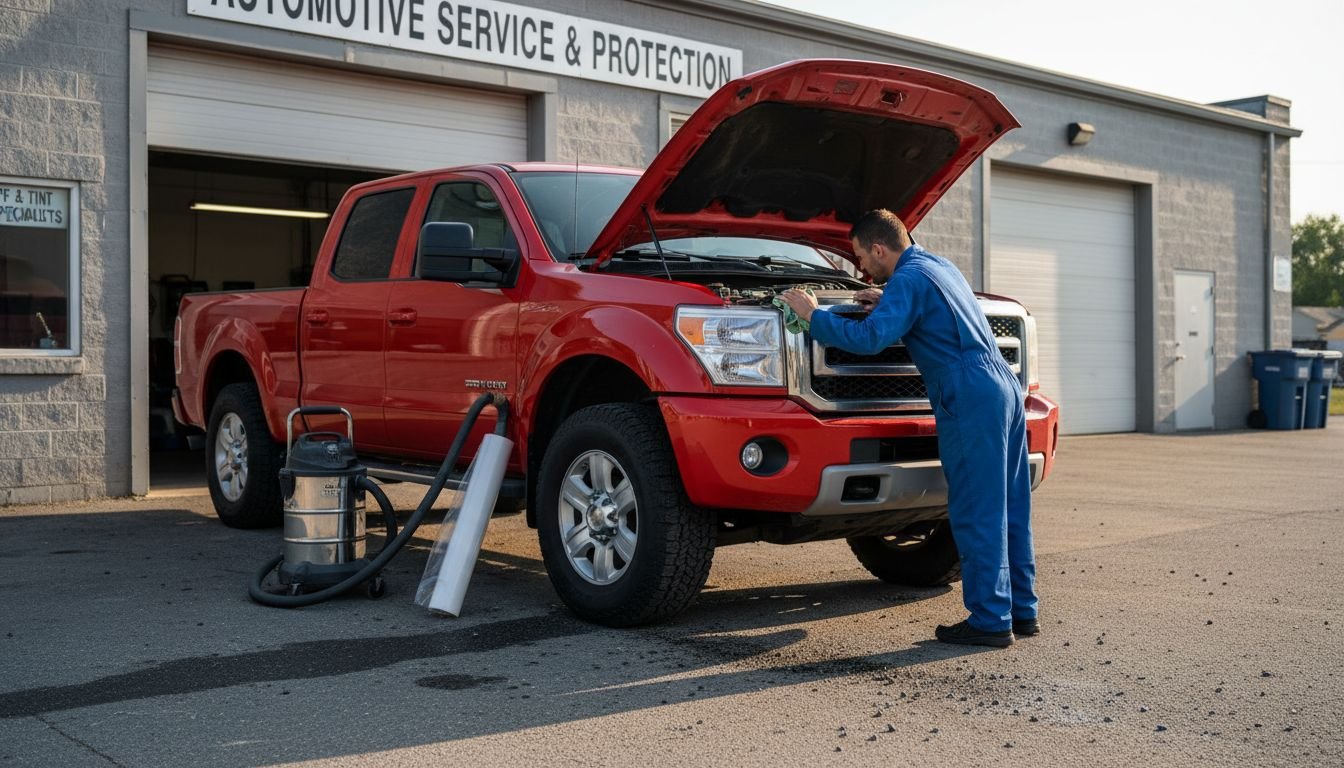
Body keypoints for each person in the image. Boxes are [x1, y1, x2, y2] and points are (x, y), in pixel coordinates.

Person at [779, 209, 1037, 648]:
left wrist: (812, 315)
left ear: (879, 248)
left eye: (862, 257)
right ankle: (1022, 611)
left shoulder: (909, 281)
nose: (862, 268)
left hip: (969, 391)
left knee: (976, 508)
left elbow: (869, 340)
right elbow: (935, 309)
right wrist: (887, 300)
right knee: (1010, 505)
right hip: (1004, 388)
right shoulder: (937, 266)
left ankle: (990, 621)